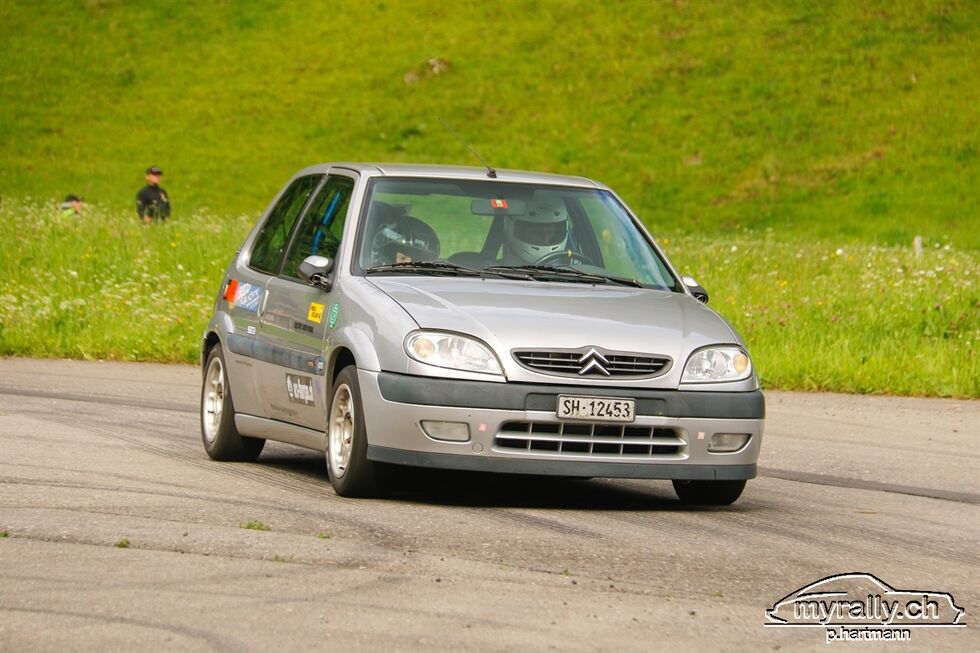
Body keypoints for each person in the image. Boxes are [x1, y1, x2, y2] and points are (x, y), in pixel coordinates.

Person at [501, 191, 569, 264]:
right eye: (537, 232)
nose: (545, 239)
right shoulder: (494, 268)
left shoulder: (571, 268)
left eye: (550, 232)